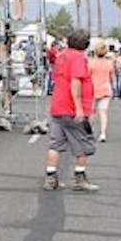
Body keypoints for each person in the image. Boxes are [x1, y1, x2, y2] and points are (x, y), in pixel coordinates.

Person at [43, 29, 98, 192]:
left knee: (55, 144)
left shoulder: (62, 56)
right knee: (83, 144)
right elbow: (75, 82)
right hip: (71, 109)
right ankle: (80, 178)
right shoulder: (79, 58)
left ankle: (50, 177)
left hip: (57, 107)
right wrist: (79, 108)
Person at [89, 41, 115, 141]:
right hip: (105, 89)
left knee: (92, 112)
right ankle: (103, 133)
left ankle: (91, 131)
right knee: (103, 112)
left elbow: (87, 76)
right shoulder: (109, 63)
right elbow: (112, 78)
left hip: (93, 89)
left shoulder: (91, 63)